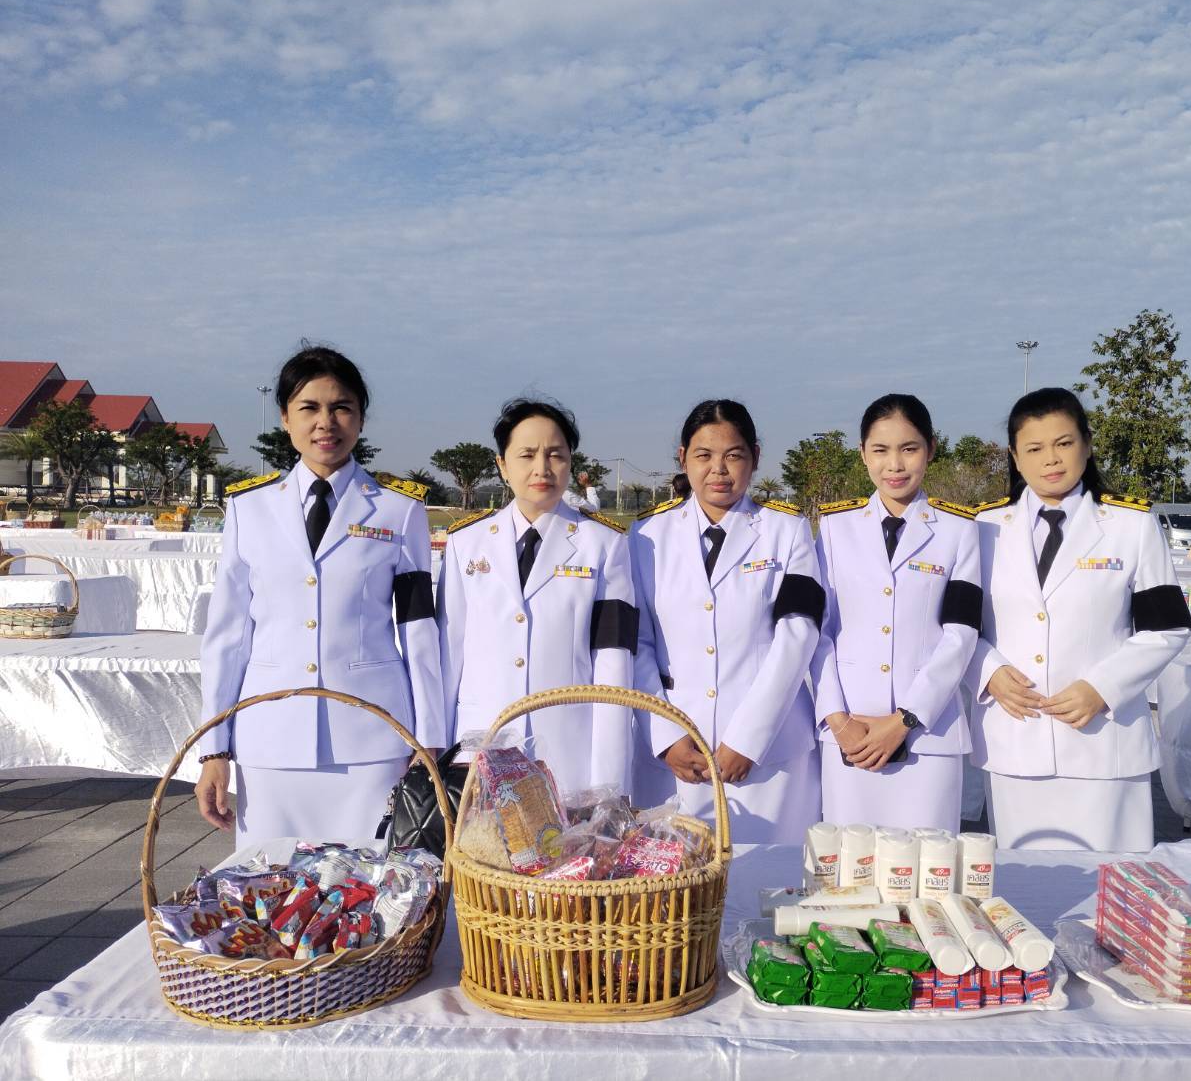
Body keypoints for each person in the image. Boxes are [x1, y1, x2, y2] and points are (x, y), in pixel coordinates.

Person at [195, 345, 444, 846]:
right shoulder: (249, 508)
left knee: (373, 880)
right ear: (285, 418)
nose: (326, 422)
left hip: (373, 737)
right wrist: (213, 748)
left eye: (341, 407)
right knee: (269, 881)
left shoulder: (398, 510)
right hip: (270, 736)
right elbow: (228, 635)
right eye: (309, 407)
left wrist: (430, 737)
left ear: (361, 418)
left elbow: (418, 629)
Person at [968, 386, 1191, 852]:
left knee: (1111, 881)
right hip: (1015, 735)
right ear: (1015, 457)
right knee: (1025, 880)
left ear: (1087, 446)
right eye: (1034, 448)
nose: (1050, 459)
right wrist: (987, 673)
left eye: (1064, 443)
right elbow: (956, 627)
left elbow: (1167, 627)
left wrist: (1102, 688)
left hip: (1103, 739)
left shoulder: (1131, 526)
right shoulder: (983, 528)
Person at [629, 399, 823, 842]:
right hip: (677, 754)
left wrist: (749, 738)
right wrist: (666, 737)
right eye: (704, 455)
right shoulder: (645, 536)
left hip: (769, 752)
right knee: (678, 877)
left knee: (771, 875)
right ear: (683, 458)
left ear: (755, 457)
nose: (718, 469)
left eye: (733, 455)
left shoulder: (786, 530)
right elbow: (637, 643)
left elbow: (798, 634)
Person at [438, 398, 637, 793]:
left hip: (567, 752)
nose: (542, 468)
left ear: (570, 462)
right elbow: (449, 653)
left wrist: (609, 781)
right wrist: (441, 753)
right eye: (527, 454)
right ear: (502, 464)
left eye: (556, 455)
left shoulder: (604, 545)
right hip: (480, 747)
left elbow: (613, 664)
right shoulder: (466, 542)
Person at [810, 394, 982, 831]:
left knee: (928, 862)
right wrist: (837, 720)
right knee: (850, 860)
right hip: (851, 732)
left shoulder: (959, 530)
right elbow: (818, 631)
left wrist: (906, 718)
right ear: (862, 453)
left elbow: (961, 633)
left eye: (909, 448)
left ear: (931, 448)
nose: (895, 465)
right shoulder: (833, 528)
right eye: (880, 450)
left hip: (929, 734)